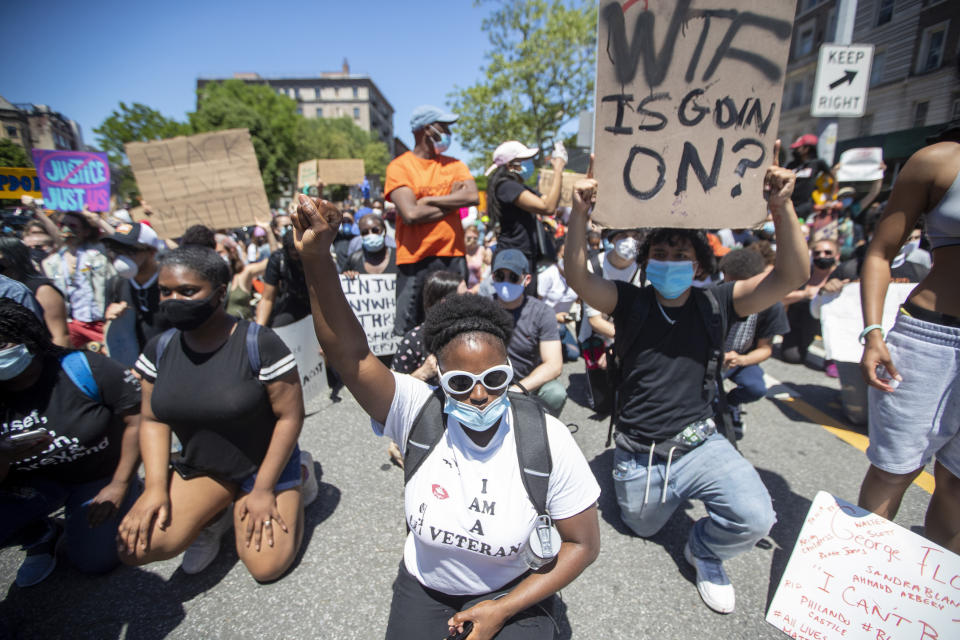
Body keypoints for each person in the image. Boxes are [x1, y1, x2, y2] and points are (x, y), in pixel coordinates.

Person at [290, 193, 600, 639]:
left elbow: (583, 544)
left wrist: (503, 608)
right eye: (459, 383)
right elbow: (351, 355)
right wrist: (317, 256)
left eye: (495, 379)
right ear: (440, 375)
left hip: (512, 587)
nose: (478, 394)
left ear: (510, 371)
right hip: (426, 588)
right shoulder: (417, 409)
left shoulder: (546, 439)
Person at [563, 158, 809, 614]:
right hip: (641, 456)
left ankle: (705, 550)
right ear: (645, 261)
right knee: (642, 527)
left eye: (682, 256)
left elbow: (792, 276)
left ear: (699, 265)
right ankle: (663, 500)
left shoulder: (718, 301)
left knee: (756, 518)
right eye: (661, 254)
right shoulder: (629, 301)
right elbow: (578, 277)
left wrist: (781, 207)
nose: (671, 263)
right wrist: (579, 212)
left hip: (701, 444)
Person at [118, 246, 317, 579]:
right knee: (135, 548)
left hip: (263, 464)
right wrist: (153, 488)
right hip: (205, 467)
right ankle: (214, 513)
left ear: (219, 293)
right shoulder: (160, 348)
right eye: (165, 291)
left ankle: (301, 476)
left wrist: (264, 489)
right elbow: (152, 420)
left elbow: (289, 417)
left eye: (188, 291)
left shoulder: (260, 343)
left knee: (265, 567)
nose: (173, 300)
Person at [857, 140, 960, 554]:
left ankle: (933, 606)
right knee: (893, 472)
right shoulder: (939, 161)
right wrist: (873, 332)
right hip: (930, 339)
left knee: (956, 483)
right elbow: (881, 253)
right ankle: (856, 590)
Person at [0, 298, 142, 587]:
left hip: (97, 476)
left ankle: (129, 496)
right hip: (30, 483)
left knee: (95, 561)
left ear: (27, 339)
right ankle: (38, 531)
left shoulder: (83, 368)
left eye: (2, 345)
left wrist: (120, 485)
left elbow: (138, 421)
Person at [384, 105, 478, 336]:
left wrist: (426, 201)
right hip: (415, 259)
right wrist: (452, 203)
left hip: (452, 257)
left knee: (457, 325)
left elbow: (472, 196)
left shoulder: (454, 164)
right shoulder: (399, 167)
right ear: (428, 130)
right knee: (411, 328)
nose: (449, 133)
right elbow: (411, 214)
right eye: (444, 127)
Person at [717, 249, 789, 432]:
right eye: (731, 283)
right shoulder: (710, 295)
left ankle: (731, 403)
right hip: (708, 358)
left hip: (740, 359)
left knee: (755, 388)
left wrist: (741, 360)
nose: (736, 291)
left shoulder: (771, 306)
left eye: (744, 285)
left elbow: (765, 349)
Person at [486, 249, 565, 417]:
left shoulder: (543, 312)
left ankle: (540, 429)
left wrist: (516, 390)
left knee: (555, 393)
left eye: (513, 277)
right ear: (493, 277)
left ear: (527, 279)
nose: (506, 282)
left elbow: (554, 364)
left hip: (526, 385)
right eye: (500, 276)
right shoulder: (482, 308)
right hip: (486, 385)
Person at [576, 228, 643, 415]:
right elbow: (595, 321)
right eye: (623, 235)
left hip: (628, 336)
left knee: (629, 401)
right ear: (612, 239)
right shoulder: (594, 265)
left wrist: (622, 345)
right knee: (602, 405)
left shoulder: (642, 267)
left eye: (635, 236)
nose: (629, 241)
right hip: (596, 337)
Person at [485, 141, 566, 292]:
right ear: (510, 165)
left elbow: (550, 202)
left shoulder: (520, 187)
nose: (529, 164)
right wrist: (558, 171)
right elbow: (547, 207)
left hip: (524, 257)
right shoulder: (506, 187)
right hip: (512, 259)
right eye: (525, 161)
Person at [41, 212, 116, 348]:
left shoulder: (98, 253)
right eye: (62, 225)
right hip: (72, 324)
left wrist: (97, 220)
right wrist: (37, 211)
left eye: (73, 225)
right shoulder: (52, 262)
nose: (67, 229)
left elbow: (117, 239)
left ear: (86, 231)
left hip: (100, 322)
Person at [102, 223, 169, 361]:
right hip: (136, 369)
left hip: (170, 365)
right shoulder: (115, 284)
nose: (121, 257)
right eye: (117, 250)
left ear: (152, 252)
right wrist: (111, 320)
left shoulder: (171, 282)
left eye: (130, 251)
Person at [779, 238, 840, 367]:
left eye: (827, 253)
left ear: (837, 255)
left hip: (831, 323)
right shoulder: (802, 273)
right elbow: (780, 298)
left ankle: (834, 356)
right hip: (801, 321)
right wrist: (805, 294)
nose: (822, 256)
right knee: (792, 356)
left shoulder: (842, 275)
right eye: (817, 253)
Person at [0, 238, 69, 347]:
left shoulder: (42, 290)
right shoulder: (5, 289)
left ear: (13, 259)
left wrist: (52, 362)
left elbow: (60, 335)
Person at [256, 226, 311, 328]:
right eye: (295, 254)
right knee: (276, 328)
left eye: (301, 253)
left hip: (320, 303)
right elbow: (267, 298)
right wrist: (257, 330)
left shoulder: (317, 257)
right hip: (295, 303)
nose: (298, 256)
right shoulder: (278, 260)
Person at [216, 234, 268, 321]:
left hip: (243, 328)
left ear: (231, 252)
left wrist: (269, 231)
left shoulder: (243, 273)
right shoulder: (213, 280)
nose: (217, 256)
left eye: (220, 253)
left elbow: (272, 260)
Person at [786, 134, 838, 218]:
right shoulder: (791, 165)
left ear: (807, 148)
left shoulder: (817, 163)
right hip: (789, 204)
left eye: (798, 148)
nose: (795, 150)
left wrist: (830, 199)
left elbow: (834, 179)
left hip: (806, 206)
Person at [463, 223, 490, 291]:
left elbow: (489, 266)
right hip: (461, 289)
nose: (472, 240)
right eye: (469, 238)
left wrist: (483, 277)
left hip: (477, 290)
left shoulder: (481, 250)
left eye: (475, 238)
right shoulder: (460, 251)